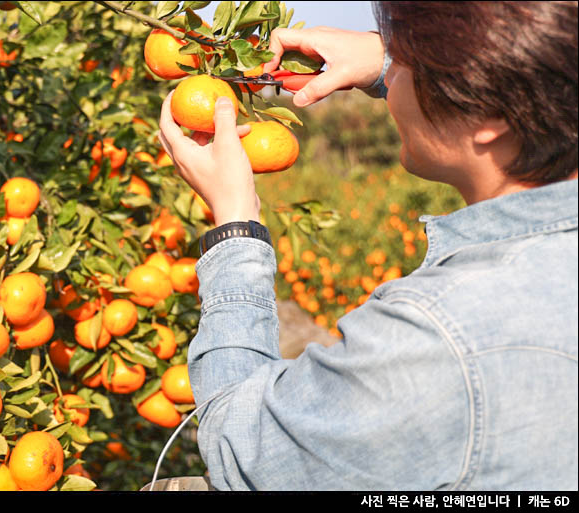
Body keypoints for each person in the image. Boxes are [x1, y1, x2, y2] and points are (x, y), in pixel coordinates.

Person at [158, 1, 578, 491]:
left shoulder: (437, 337)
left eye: (404, 63)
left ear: (494, 112)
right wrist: (385, 65)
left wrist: (234, 222)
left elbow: (245, 452)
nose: (390, 74)